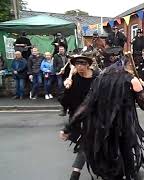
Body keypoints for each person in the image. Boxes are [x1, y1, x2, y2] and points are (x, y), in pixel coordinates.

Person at [60, 52, 144, 180]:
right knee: (126, 163)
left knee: (109, 166)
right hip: (123, 131)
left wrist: (67, 127)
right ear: (127, 65)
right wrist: (141, 88)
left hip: (102, 130)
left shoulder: (99, 80)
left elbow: (86, 105)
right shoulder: (132, 80)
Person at [59, 52, 99, 180]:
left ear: (88, 65)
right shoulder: (74, 79)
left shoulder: (97, 78)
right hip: (78, 115)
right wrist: (67, 88)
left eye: (82, 63)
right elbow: (66, 102)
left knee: (88, 141)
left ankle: (75, 173)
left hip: (95, 115)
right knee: (87, 142)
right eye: (77, 63)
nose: (80, 66)